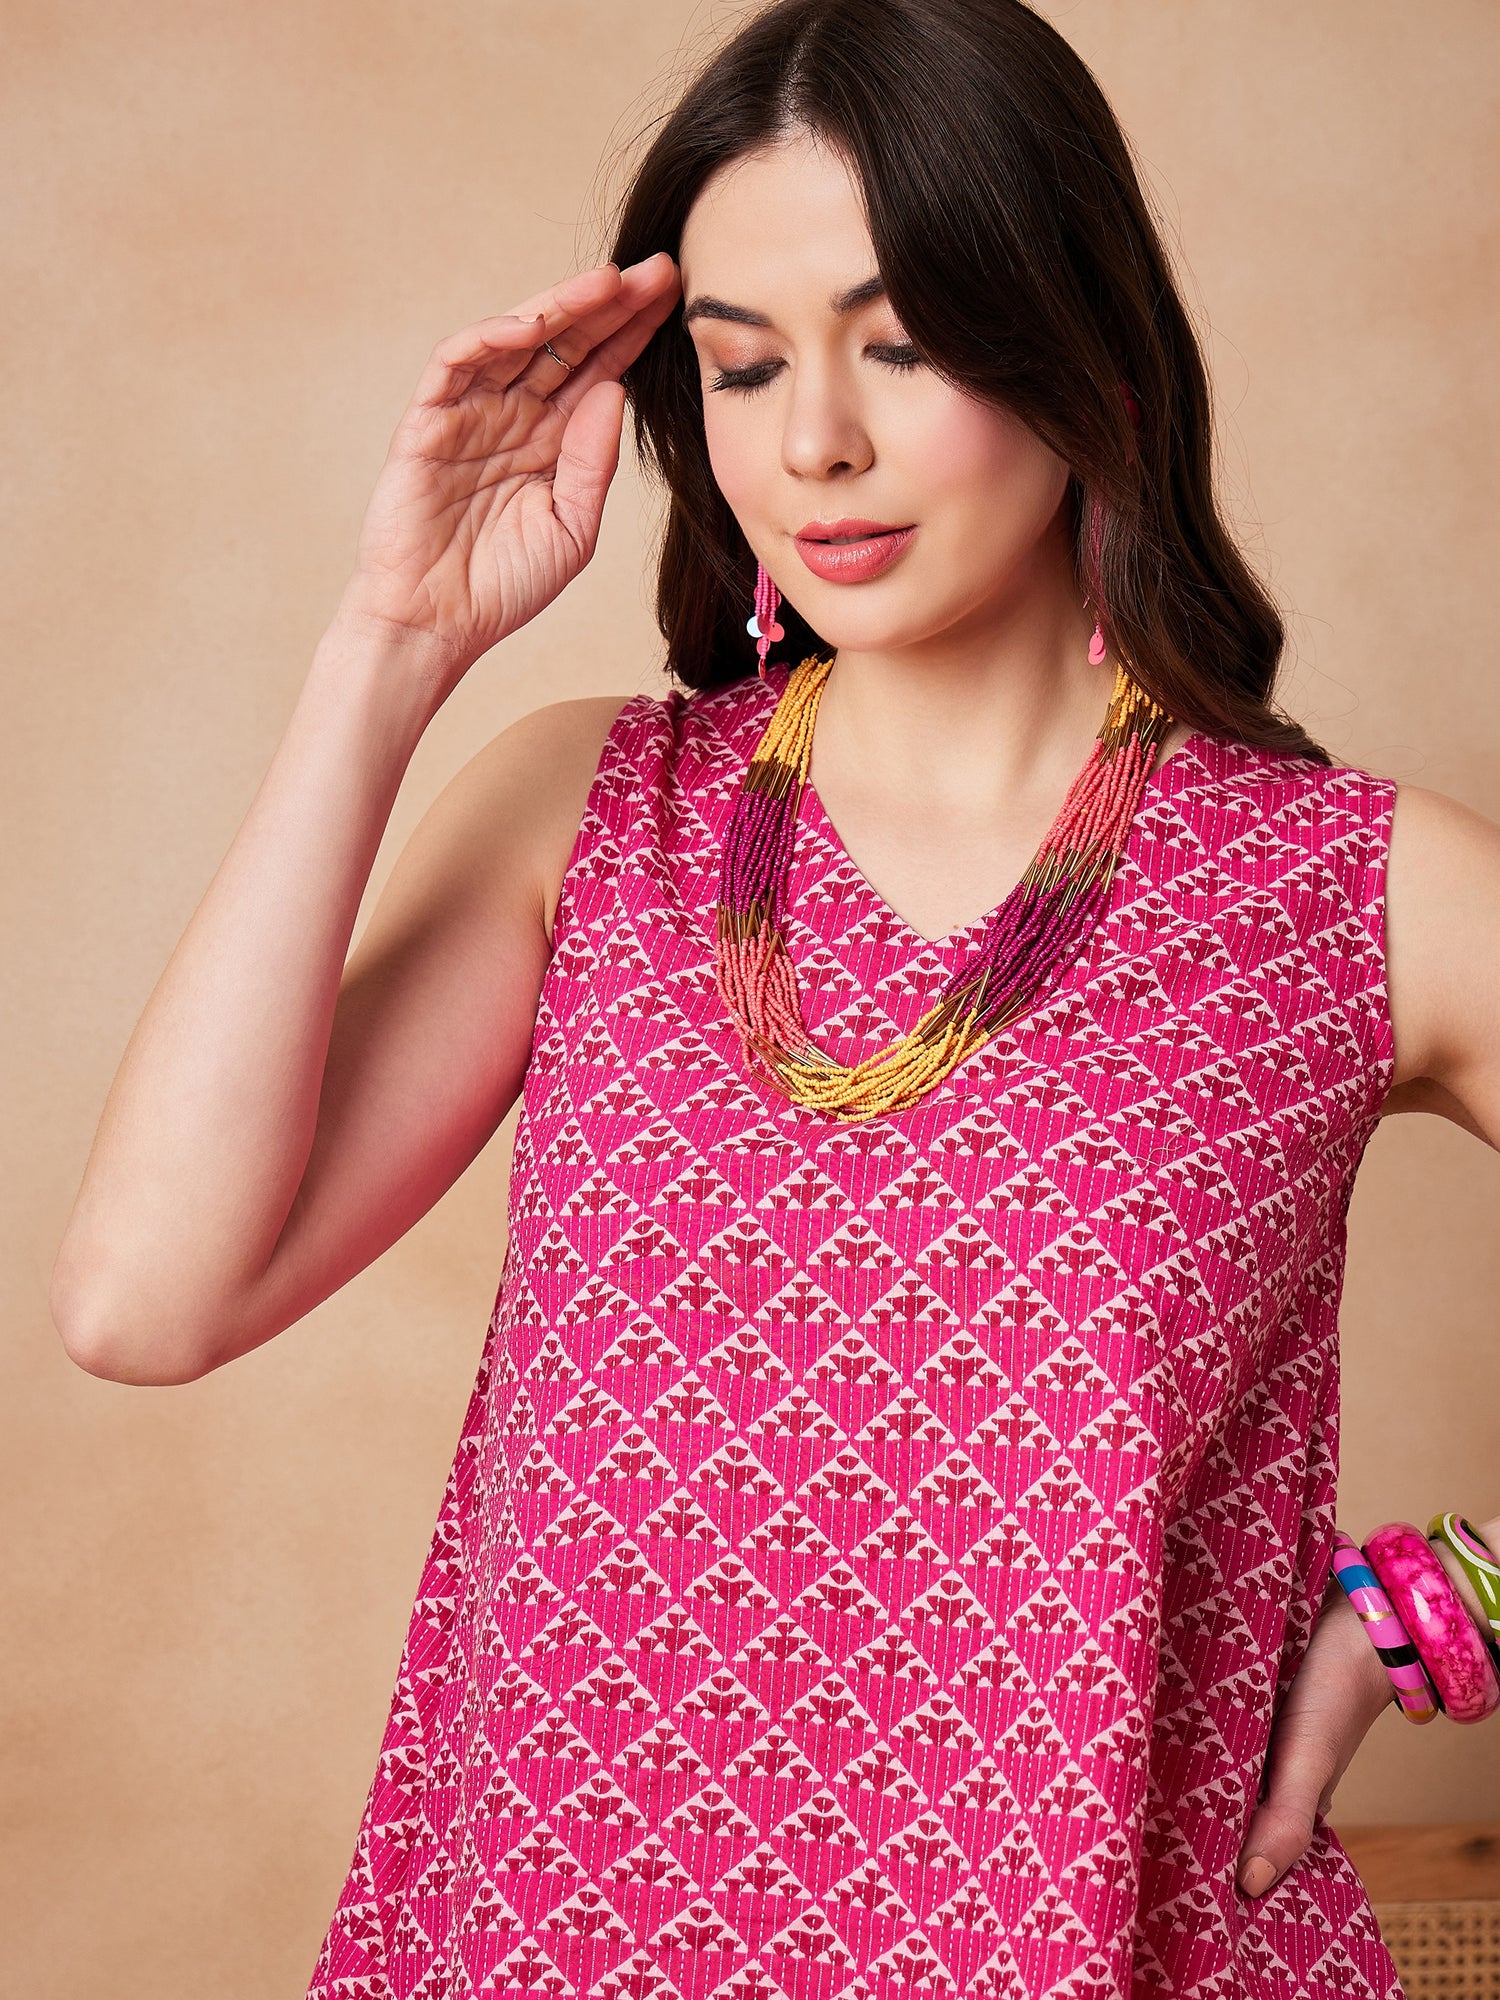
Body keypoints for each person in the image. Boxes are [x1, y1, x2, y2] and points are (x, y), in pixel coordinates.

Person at [50, 2, 1500, 1997]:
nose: (814, 438)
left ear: (1087, 353)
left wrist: (1451, 1598)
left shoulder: (1356, 891)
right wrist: (388, 645)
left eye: (900, 342)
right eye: (743, 364)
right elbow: (143, 1302)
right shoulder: (591, 815)